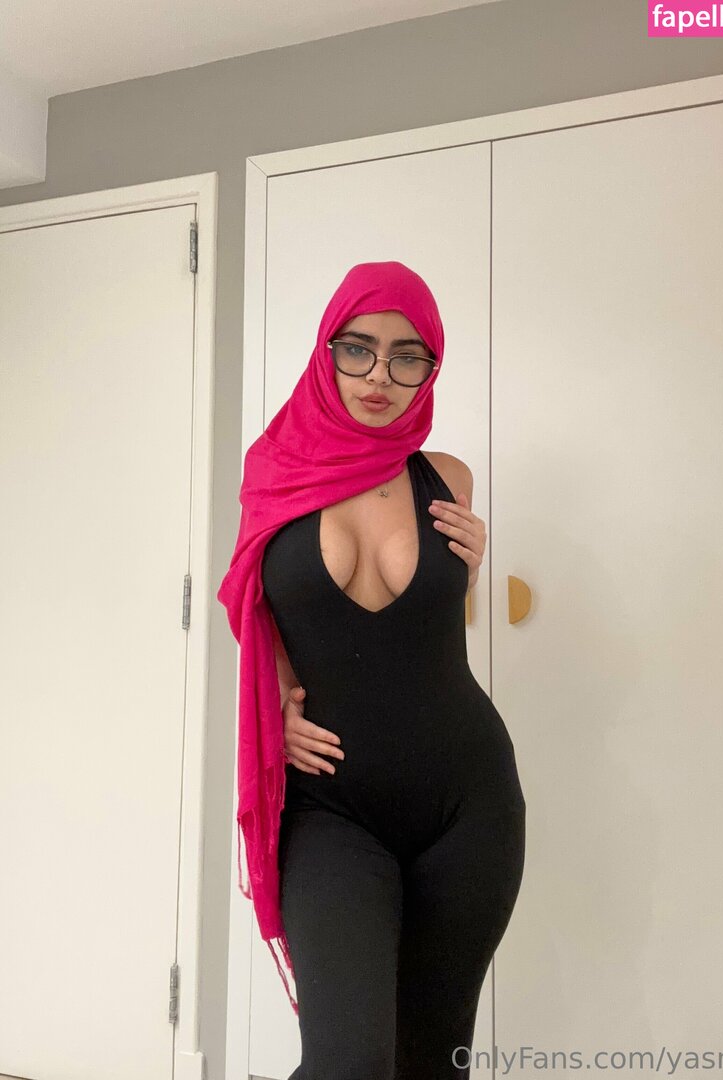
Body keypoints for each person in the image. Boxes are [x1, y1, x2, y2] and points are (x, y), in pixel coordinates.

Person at [219, 260, 525, 1080]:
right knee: (349, 1061)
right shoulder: (273, 473)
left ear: (431, 366)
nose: (380, 375)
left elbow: (430, 629)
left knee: (433, 1062)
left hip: (469, 805)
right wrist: (276, 707)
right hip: (331, 809)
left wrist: (473, 567)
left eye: (407, 356)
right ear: (328, 349)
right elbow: (253, 610)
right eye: (358, 349)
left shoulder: (446, 479)